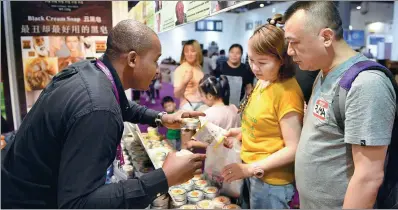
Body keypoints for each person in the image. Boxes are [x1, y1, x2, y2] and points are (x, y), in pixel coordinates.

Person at [1, 20, 206, 209]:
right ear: (133, 59)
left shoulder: (91, 71)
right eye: (155, 60)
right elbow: (78, 204)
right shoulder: (99, 109)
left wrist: (160, 118)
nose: (158, 71)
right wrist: (164, 178)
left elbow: (123, 106)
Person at [283, 2, 396, 209]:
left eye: (294, 42)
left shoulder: (366, 84)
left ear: (326, 37)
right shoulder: (323, 72)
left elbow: (368, 177)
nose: (289, 51)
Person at [222, 14, 304, 209]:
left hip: (271, 182)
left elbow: (293, 148)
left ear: (282, 60)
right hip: (251, 172)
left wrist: (250, 169)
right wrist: (242, 133)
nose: (255, 68)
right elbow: (268, 125)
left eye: (262, 62)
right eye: (250, 60)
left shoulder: (287, 92)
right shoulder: (264, 80)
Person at [185, 74, 241, 150]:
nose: (201, 99)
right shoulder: (234, 108)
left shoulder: (206, 114)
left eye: (202, 96)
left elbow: (207, 143)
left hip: (217, 157)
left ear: (210, 96)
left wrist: (191, 143)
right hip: (234, 154)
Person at [174, 39, 204, 111]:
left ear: (198, 52)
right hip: (188, 104)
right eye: (186, 51)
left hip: (201, 103)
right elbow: (176, 95)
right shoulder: (180, 69)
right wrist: (185, 82)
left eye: (193, 51)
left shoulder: (199, 68)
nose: (189, 54)